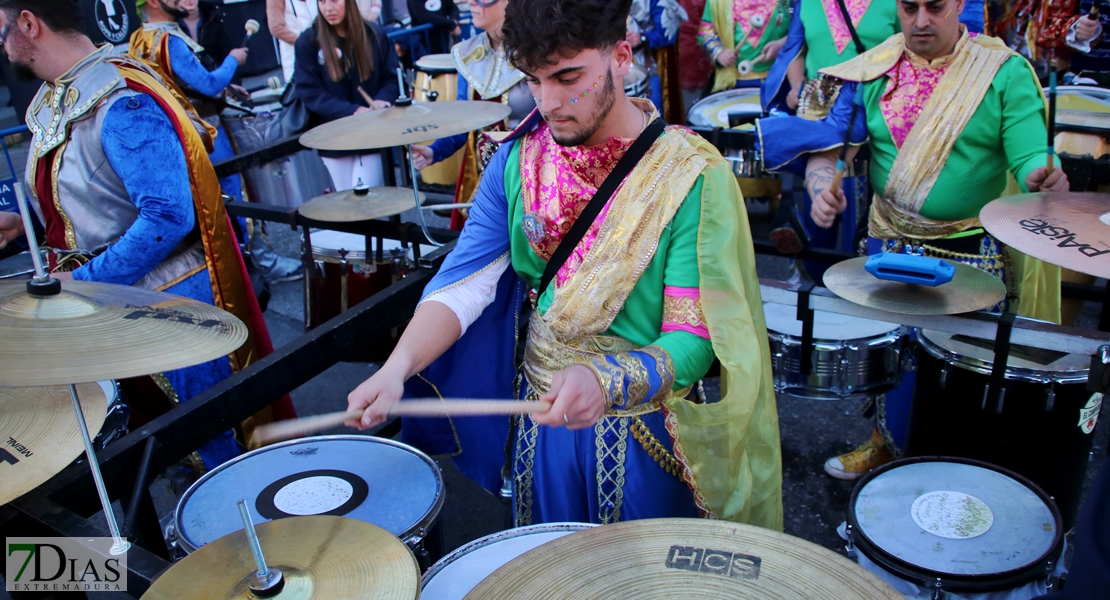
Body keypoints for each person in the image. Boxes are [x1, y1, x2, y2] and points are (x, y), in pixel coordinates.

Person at [348, 0, 782, 527]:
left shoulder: (688, 175)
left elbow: (694, 338)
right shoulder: (515, 159)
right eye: (533, 80)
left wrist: (607, 380)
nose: (548, 102)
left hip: (646, 435)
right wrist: (396, 369)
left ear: (621, 57)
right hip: (542, 428)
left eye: (568, 76)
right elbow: (464, 286)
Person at [758, 0, 1068, 479]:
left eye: (935, 7)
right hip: (889, 246)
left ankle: (958, 471)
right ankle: (886, 443)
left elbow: (1029, 151)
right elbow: (831, 147)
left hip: (966, 253)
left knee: (961, 373)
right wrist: (821, 190)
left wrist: (1041, 175)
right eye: (909, 7)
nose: (921, 20)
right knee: (894, 361)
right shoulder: (873, 68)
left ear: (959, 5)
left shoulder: (1001, 72)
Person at [0, 0, 295, 469]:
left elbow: (167, 217)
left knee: (212, 454)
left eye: (1, 29)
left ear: (30, 24)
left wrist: (86, 279)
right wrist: (23, 222)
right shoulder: (62, 92)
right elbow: (89, 197)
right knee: (172, 456)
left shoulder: (121, 99)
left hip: (166, 302)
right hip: (117, 305)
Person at [410, 0, 533, 228]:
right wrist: (432, 151)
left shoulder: (538, 48)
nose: (472, 3)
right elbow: (465, 122)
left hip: (530, 178)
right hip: (482, 180)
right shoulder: (467, 54)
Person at [295, 0, 401, 190]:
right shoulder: (308, 41)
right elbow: (308, 91)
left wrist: (382, 100)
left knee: (367, 202)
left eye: (335, 1)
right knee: (346, 206)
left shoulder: (373, 34)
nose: (328, 8)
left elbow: (391, 78)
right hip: (333, 137)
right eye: (322, 1)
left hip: (371, 133)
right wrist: (351, 110)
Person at [697, 0, 790, 94]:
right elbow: (706, 33)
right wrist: (719, 53)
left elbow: (800, 31)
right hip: (733, 82)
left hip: (779, 80)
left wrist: (782, 44)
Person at [628, 0, 687, 121]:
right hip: (605, 66)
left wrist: (642, 38)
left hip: (643, 69)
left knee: (651, 121)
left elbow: (667, 32)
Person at [268, 0, 318, 84]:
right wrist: (304, 42)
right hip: (294, 54)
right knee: (304, 89)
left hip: (324, 49)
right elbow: (276, 28)